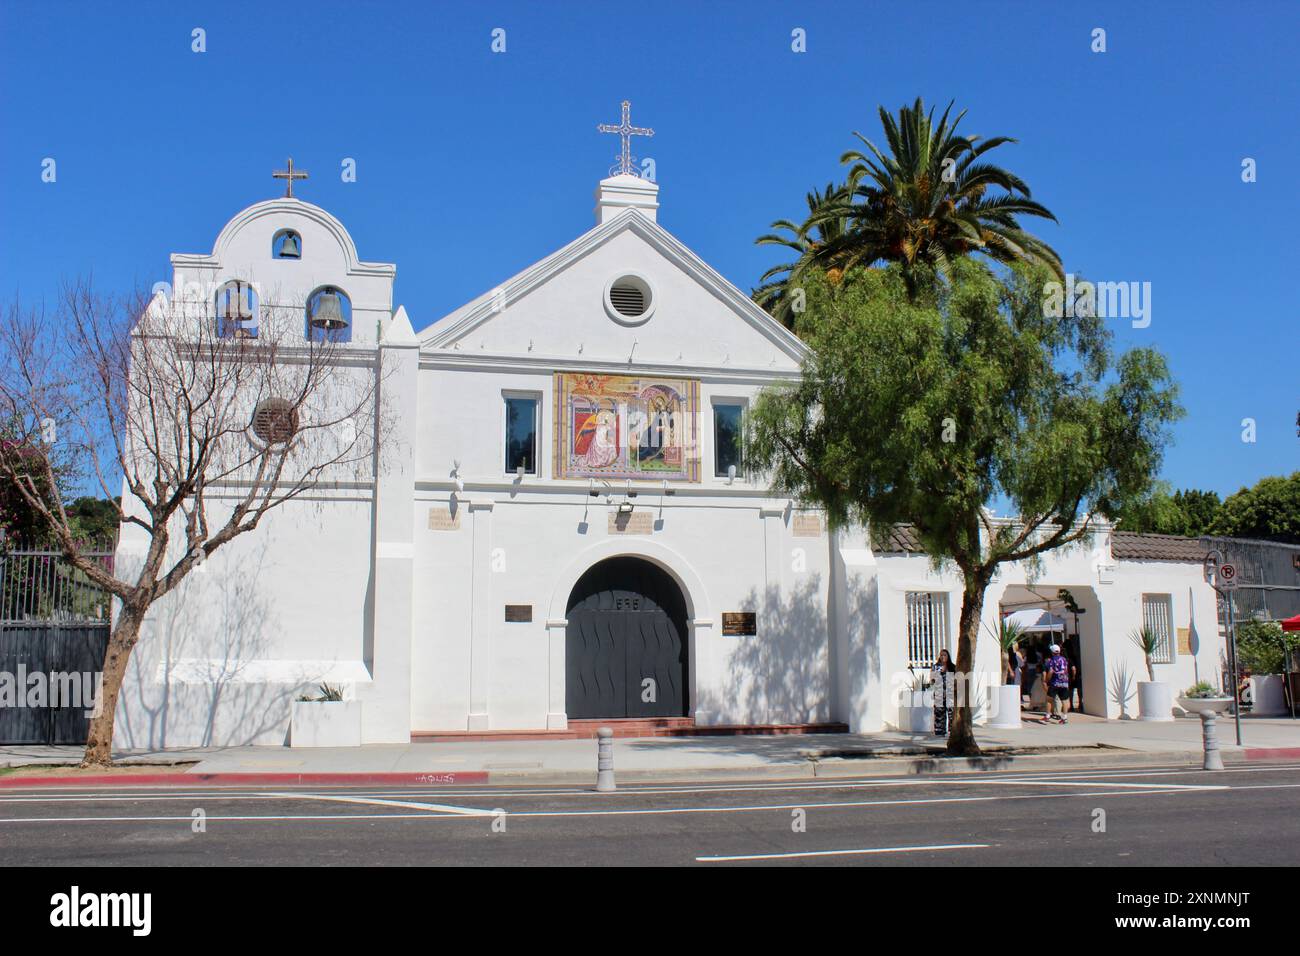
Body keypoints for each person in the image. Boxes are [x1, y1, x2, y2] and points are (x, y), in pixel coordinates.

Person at [1043, 643, 1074, 723]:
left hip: (1055, 682)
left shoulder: (1052, 660)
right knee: (1064, 700)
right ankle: (1064, 718)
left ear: (1052, 652)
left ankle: (1047, 716)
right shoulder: (1064, 659)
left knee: (1049, 699)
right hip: (1064, 682)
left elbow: (1050, 671)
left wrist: (1047, 680)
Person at [931, 649, 958, 736]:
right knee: (939, 713)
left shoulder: (952, 667)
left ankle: (952, 731)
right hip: (939, 693)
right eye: (941, 655)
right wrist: (938, 672)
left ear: (948, 656)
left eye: (944, 655)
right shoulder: (936, 667)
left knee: (952, 713)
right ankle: (940, 731)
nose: (943, 657)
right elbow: (932, 680)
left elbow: (956, 680)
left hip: (950, 693)